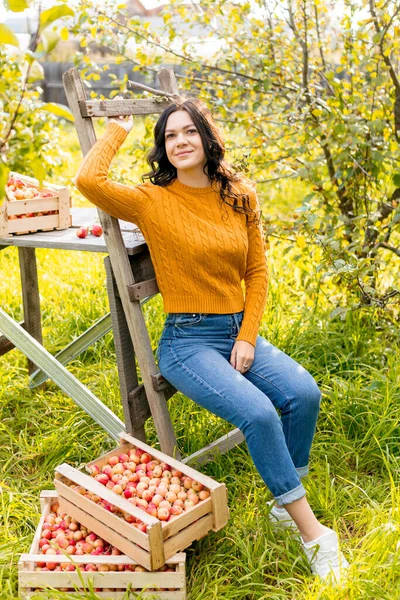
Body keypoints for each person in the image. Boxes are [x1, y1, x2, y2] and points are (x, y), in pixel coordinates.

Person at [75, 95, 349, 583]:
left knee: (304, 393)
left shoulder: (239, 194)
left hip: (235, 330)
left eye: (188, 132)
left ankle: (286, 503)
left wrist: (247, 336)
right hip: (186, 341)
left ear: (207, 136)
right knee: (259, 413)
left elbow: (258, 271)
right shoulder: (150, 199)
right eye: (169, 136)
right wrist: (117, 131)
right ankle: (313, 535)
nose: (179, 142)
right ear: (163, 147)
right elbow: (88, 182)